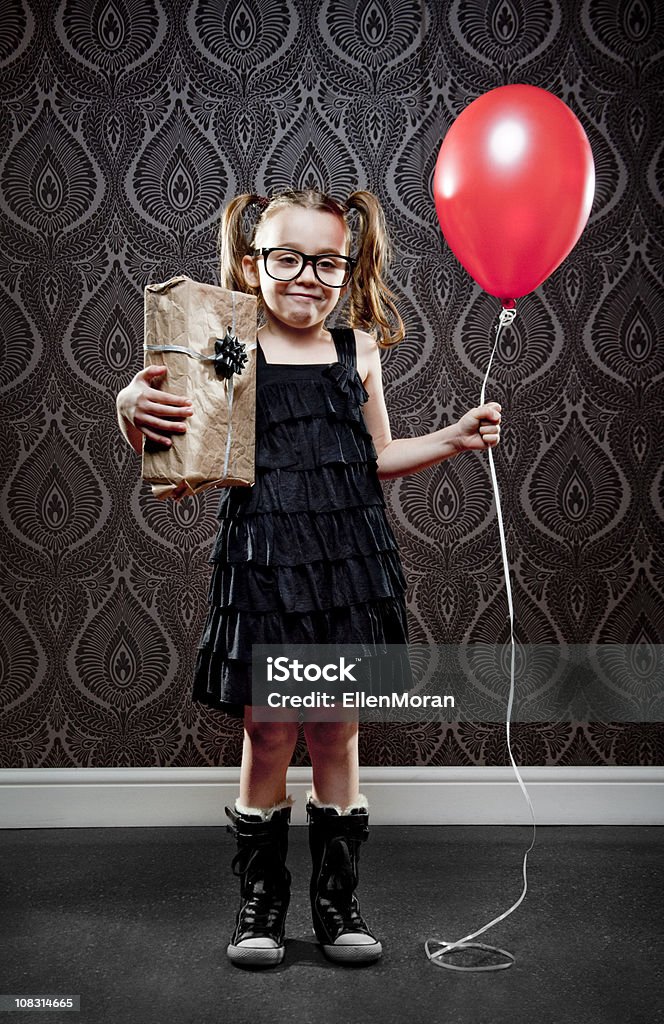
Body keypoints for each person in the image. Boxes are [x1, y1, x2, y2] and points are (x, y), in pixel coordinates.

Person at [116, 188, 501, 970]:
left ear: (349, 269)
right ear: (253, 263)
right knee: (267, 732)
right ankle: (259, 907)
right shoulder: (224, 343)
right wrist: (128, 403)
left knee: (333, 731)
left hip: (347, 565)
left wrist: (452, 440)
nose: (306, 277)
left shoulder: (359, 349)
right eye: (286, 258)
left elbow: (375, 457)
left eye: (327, 262)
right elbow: (170, 440)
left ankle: (337, 905)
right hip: (264, 563)